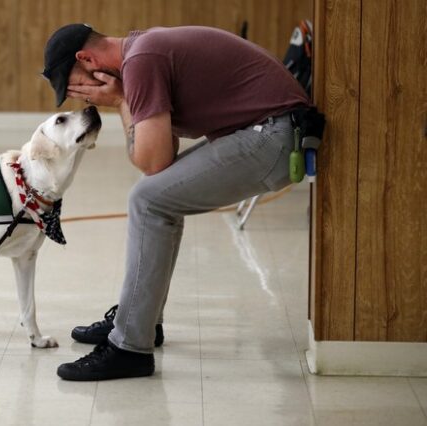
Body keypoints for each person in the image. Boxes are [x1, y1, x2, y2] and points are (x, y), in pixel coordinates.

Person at [41, 23, 310, 381]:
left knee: (148, 199)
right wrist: (126, 100)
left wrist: (122, 101)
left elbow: (151, 159)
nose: (83, 97)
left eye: (77, 84)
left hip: (274, 136)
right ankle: (143, 322)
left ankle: (129, 348)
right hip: (275, 131)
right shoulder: (142, 53)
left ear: (88, 59)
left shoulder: (141, 61)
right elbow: (162, 160)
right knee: (157, 194)